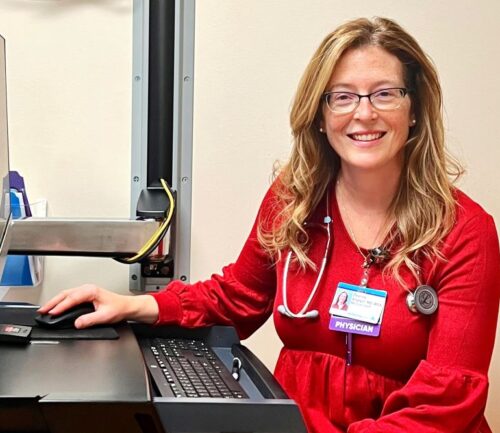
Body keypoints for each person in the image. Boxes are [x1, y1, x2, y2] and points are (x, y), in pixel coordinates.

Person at [39, 17, 500, 433]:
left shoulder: (465, 231)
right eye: (342, 96)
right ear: (320, 116)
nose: (363, 112)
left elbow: (447, 398)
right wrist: (134, 305)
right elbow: (239, 298)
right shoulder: (294, 200)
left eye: (385, 93)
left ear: (414, 108)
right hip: (297, 422)